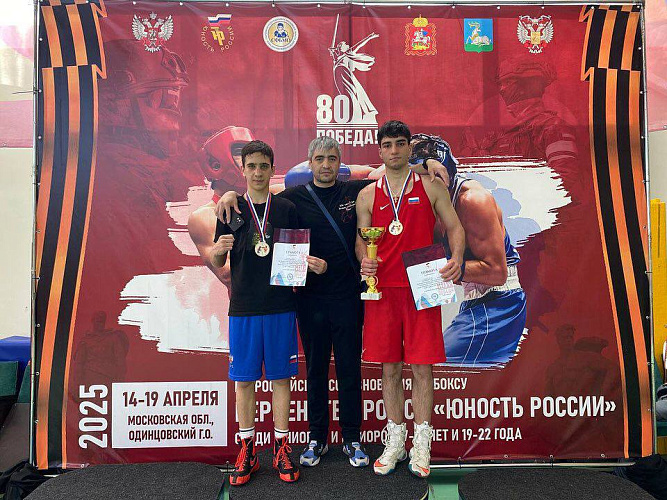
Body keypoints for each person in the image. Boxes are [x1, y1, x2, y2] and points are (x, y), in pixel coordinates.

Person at [216, 136, 450, 469]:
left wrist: (425, 163)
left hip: (349, 296)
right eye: (319, 159)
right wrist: (230, 194)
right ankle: (317, 438)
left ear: (340, 163)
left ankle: (352, 438)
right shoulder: (293, 198)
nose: (326, 165)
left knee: (349, 369)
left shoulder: (356, 191)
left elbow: (392, 169)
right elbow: (259, 195)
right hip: (309, 298)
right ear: (309, 163)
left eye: (332, 159)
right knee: (315, 370)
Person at [355, 121, 465, 478]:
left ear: (408, 148)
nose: (394, 151)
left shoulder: (430, 185)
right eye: (388, 145)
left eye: (400, 144)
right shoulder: (367, 195)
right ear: (380, 150)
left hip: (423, 287)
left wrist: (457, 258)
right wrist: (364, 259)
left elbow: (455, 227)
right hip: (382, 290)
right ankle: (395, 442)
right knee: (389, 369)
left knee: (421, 368)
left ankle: (422, 443)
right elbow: (361, 241)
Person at [209, 140, 300, 486]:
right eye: (252, 166)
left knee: (281, 379)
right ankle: (247, 449)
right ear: (243, 170)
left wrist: (305, 264)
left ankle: (281, 447)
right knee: (244, 381)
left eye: (264, 166)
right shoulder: (230, 209)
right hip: (244, 307)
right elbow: (218, 259)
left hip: (280, 306)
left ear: (272, 169)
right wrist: (219, 250)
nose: (258, 172)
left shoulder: (286, 209)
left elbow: (295, 257)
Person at [411, 134, 528, 368]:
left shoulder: (473, 200)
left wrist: (447, 268)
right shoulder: (427, 201)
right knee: (423, 360)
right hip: (474, 304)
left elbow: (497, 273)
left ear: (443, 175)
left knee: (436, 367)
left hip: (500, 303)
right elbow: (372, 174)